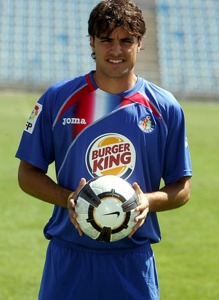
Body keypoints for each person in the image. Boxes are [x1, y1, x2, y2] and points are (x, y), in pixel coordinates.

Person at [16, 0, 192, 299]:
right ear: (92, 43)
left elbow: (182, 187)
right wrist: (69, 198)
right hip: (69, 257)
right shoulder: (58, 99)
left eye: (126, 41)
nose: (116, 50)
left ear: (139, 44)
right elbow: (27, 174)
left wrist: (148, 201)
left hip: (133, 262)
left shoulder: (165, 108)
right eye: (106, 40)